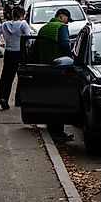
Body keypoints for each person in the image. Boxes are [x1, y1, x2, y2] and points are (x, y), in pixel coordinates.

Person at [35, 8, 74, 142]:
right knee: (59, 101)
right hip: (58, 69)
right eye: (67, 19)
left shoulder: (43, 28)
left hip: (43, 68)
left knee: (49, 100)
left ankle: (52, 129)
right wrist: (71, 58)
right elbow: (65, 44)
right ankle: (58, 132)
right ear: (62, 16)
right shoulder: (61, 27)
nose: (67, 23)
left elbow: (35, 48)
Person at [0, 5, 29, 110]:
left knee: (6, 77)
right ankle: (19, 99)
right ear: (22, 15)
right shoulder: (23, 24)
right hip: (20, 52)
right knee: (22, 76)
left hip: (9, 52)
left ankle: (3, 97)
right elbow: (28, 38)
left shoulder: (5, 25)